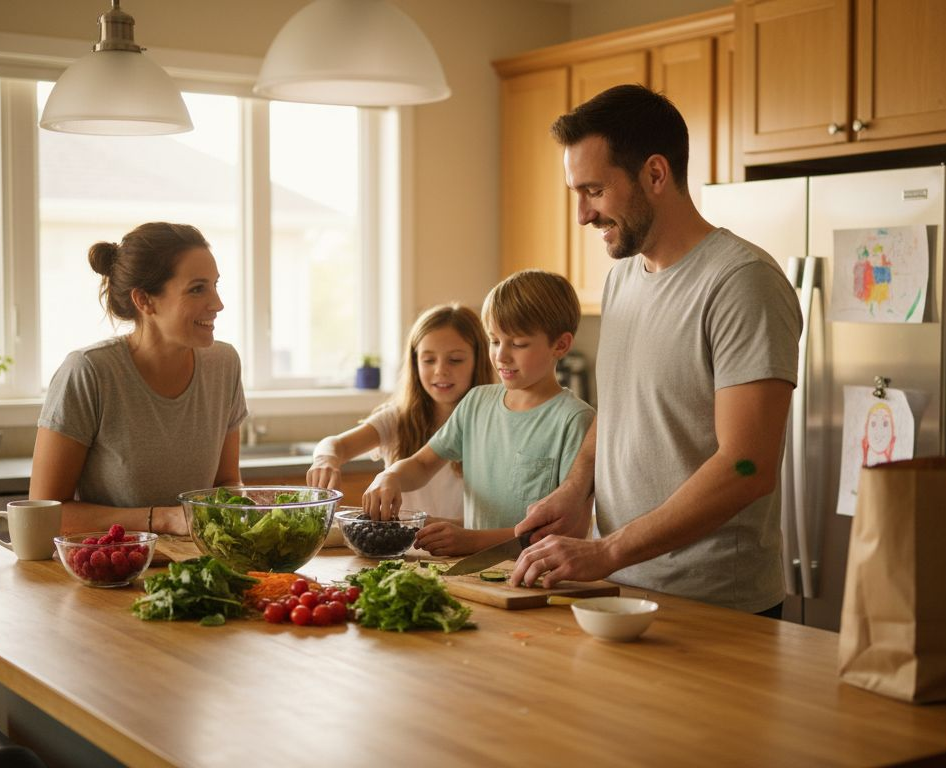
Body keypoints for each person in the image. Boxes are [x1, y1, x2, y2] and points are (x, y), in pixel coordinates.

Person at [509, 85, 802, 616]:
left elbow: (747, 465)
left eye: (594, 190)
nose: (581, 215)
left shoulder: (741, 282)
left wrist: (607, 549)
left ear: (655, 175)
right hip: (620, 590)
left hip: (716, 606)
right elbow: (619, 411)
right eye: (575, 193)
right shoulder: (624, 277)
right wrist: (578, 489)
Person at [29, 222, 247, 536]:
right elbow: (46, 513)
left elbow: (227, 483)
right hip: (108, 574)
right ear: (144, 300)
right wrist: (162, 519)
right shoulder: (89, 372)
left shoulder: (224, 365)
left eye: (215, 285)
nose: (218, 303)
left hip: (196, 566)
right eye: (198, 288)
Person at [361, 270, 595, 557]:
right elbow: (422, 465)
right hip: (473, 577)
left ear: (560, 345)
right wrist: (390, 477)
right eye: (494, 341)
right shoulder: (476, 403)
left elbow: (569, 532)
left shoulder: (575, 420)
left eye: (518, 343)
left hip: (536, 580)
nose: (501, 355)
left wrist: (473, 541)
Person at [306, 303, 495, 523]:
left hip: (467, 550)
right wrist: (325, 460)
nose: (440, 370)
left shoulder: (492, 423)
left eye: (455, 360)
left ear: (478, 360)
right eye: (428, 360)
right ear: (415, 362)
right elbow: (336, 444)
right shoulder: (397, 418)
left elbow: (492, 523)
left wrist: (433, 525)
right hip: (404, 552)